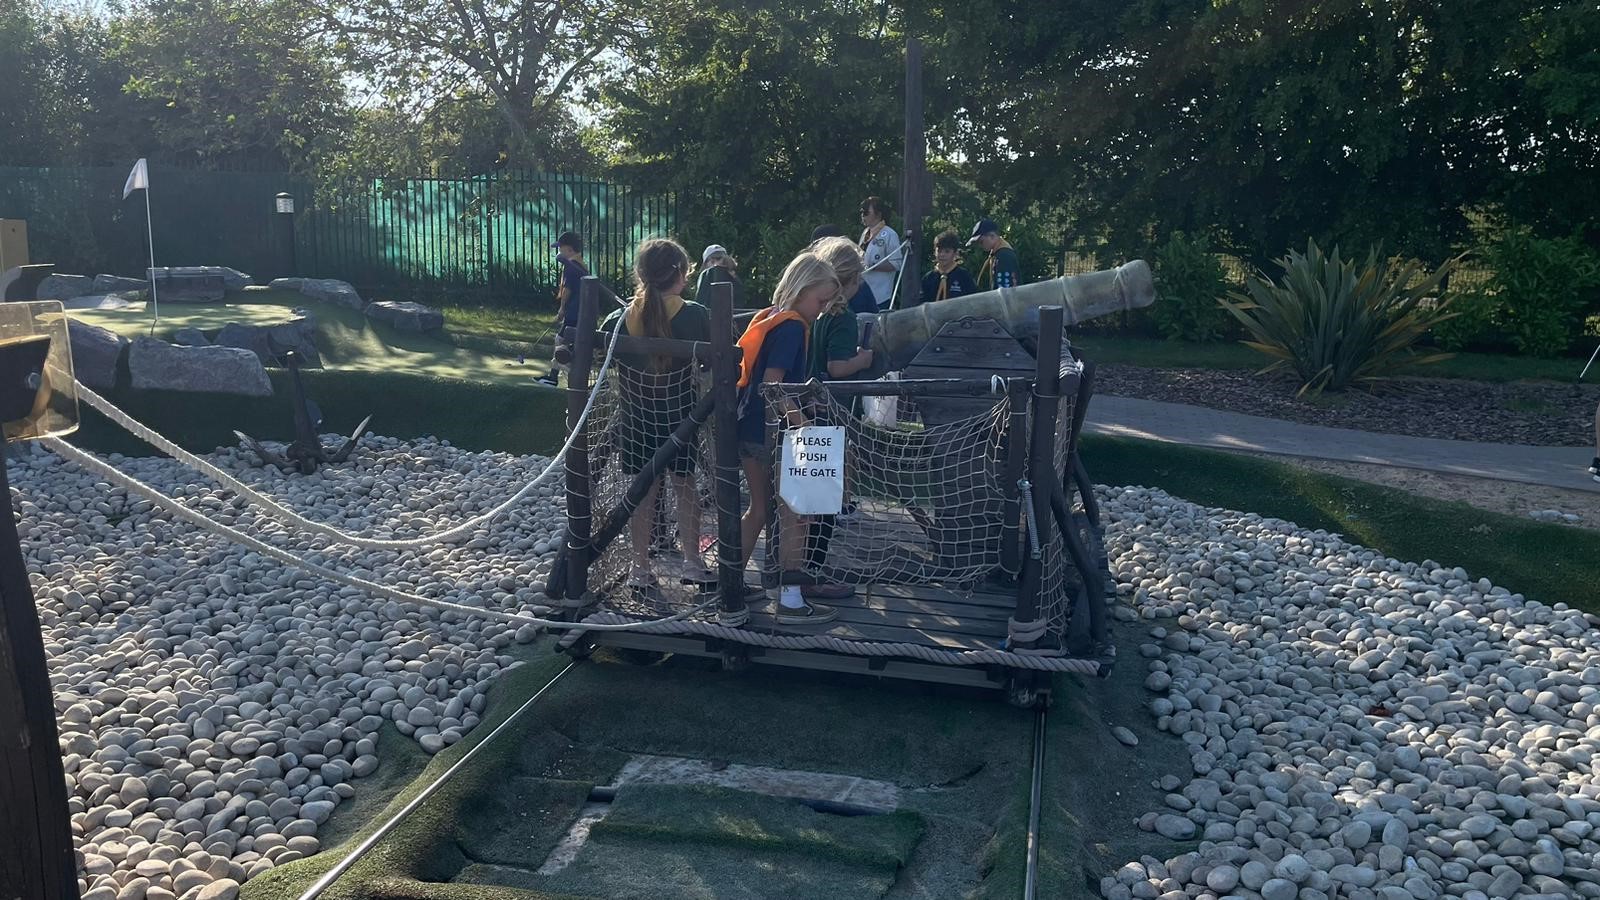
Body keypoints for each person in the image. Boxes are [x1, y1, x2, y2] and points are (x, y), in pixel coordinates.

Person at [736, 252, 851, 623]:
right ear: (802, 290)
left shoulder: (771, 317)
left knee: (759, 509)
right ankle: (790, 599)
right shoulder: (790, 328)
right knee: (796, 514)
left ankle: (730, 584)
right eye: (820, 301)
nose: (822, 309)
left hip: (748, 426)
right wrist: (803, 423)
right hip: (773, 432)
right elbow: (773, 384)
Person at [601, 238, 713, 590]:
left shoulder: (618, 320)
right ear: (680, 274)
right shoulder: (694, 315)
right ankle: (692, 563)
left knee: (642, 494)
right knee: (686, 487)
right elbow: (712, 360)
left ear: (641, 273)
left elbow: (601, 357)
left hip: (635, 419)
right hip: (680, 418)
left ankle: (639, 567)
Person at [808, 237, 875, 382]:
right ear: (855, 278)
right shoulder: (843, 315)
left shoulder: (816, 307)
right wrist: (862, 361)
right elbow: (837, 368)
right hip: (828, 394)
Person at [538, 231, 590, 386]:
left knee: (561, 341)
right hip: (581, 311)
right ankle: (553, 376)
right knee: (566, 342)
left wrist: (562, 308)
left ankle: (561, 377)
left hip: (573, 311)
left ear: (569, 249)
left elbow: (567, 290)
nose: (559, 251)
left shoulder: (570, 266)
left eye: (561, 248)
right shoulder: (581, 265)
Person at [858, 197, 903, 309]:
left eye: (866, 212)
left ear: (878, 214)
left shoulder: (890, 234)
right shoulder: (865, 233)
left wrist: (873, 266)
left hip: (880, 295)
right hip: (863, 291)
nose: (863, 215)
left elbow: (896, 264)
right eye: (862, 212)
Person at [922, 229, 979, 302]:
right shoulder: (928, 278)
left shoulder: (964, 277)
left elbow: (973, 301)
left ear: (955, 253)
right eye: (939, 251)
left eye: (947, 251)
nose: (942, 255)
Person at [967, 218, 1021, 291]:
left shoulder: (1004, 256)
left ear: (992, 236)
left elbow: (1005, 288)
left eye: (981, 242)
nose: (980, 245)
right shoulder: (997, 254)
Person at [695, 244, 745, 308]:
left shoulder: (734, 277)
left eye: (719, 259)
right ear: (706, 264)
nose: (717, 264)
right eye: (712, 261)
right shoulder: (705, 275)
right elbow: (701, 301)